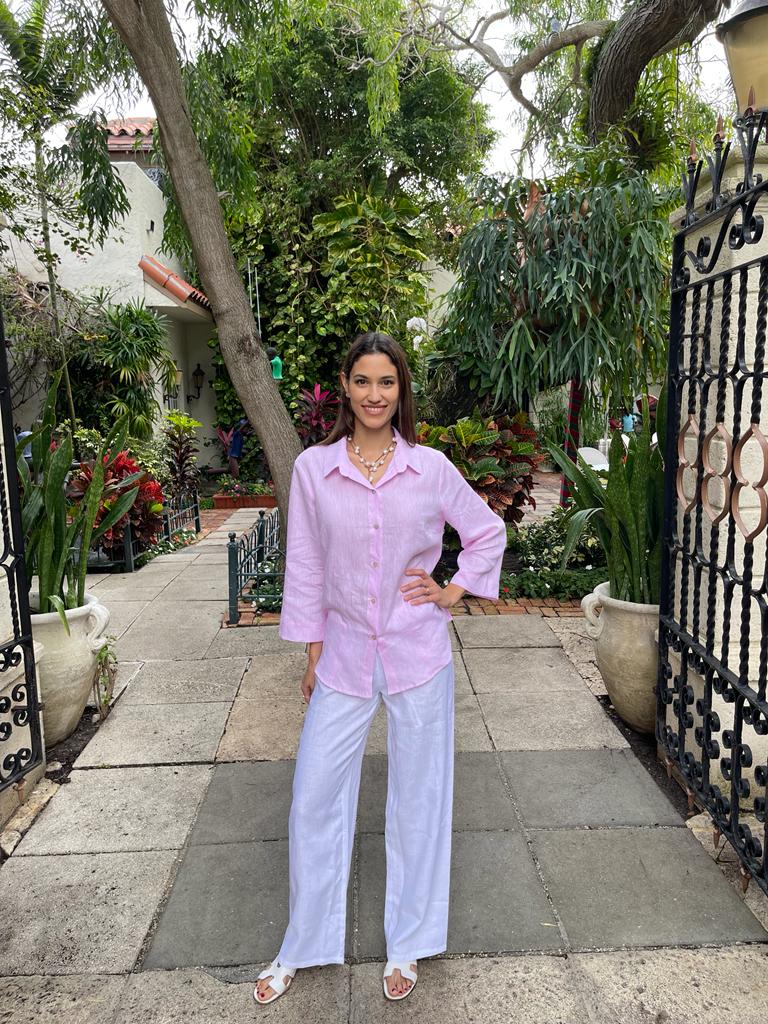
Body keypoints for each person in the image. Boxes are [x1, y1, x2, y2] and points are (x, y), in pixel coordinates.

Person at [253, 331, 507, 1005]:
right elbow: (306, 564)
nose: (374, 394)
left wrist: (452, 591)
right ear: (345, 386)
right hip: (341, 654)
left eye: (386, 382)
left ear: (401, 390)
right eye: (363, 381)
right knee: (313, 797)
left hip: (417, 651)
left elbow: (486, 531)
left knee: (419, 798)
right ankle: (303, 943)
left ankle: (408, 943)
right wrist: (312, 652)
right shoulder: (314, 469)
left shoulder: (430, 468)